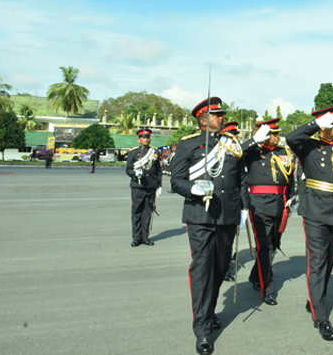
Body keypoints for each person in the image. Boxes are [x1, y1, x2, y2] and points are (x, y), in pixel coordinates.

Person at [170, 97, 260, 355]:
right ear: (203, 119)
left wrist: (244, 207)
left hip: (227, 216)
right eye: (217, 115)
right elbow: (176, 181)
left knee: (221, 266)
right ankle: (202, 329)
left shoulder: (231, 145)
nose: (222, 117)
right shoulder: (188, 146)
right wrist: (194, 188)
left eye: (221, 114)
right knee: (202, 268)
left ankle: (208, 311)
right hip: (200, 216)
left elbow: (241, 177)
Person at [285, 105, 333, 341]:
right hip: (315, 210)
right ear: (324, 125)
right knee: (317, 262)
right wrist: (316, 124)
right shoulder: (308, 145)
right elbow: (291, 137)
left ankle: (314, 299)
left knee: (330, 260)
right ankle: (321, 317)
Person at [241, 118, 294, 305]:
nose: (277, 137)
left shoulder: (283, 152)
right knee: (265, 247)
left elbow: (290, 176)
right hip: (259, 205)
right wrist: (254, 140)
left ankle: (256, 276)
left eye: (278, 133)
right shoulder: (253, 151)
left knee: (274, 243)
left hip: (280, 203)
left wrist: (291, 197)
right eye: (273, 134)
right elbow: (236, 153)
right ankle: (268, 288)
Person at [125, 128, 162, 247]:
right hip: (138, 186)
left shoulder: (155, 152)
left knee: (147, 212)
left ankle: (145, 237)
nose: (146, 140)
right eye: (144, 138)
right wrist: (135, 174)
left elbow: (158, 171)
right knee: (136, 212)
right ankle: (136, 238)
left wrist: (159, 185)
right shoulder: (133, 153)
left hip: (151, 186)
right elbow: (128, 169)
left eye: (148, 138)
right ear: (139, 140)